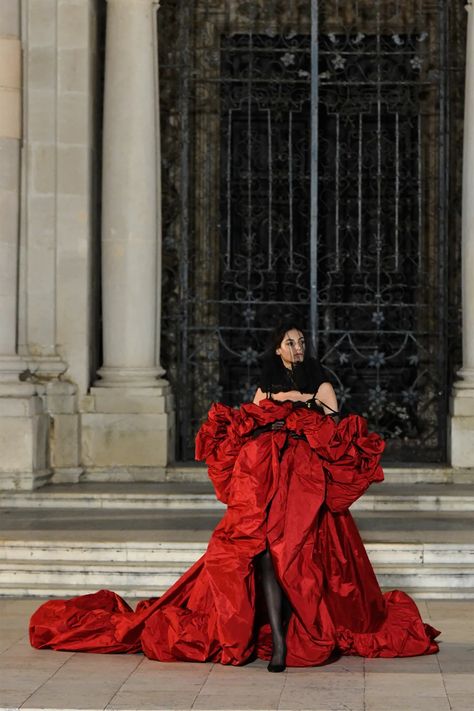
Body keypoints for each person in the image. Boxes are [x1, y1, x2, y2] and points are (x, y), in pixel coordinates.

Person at [29, 322, 440, 671]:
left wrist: (304, 406)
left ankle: (301, 631)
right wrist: (281, 406)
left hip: (304, 493)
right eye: (290, 342)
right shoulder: (266, 387)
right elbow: (248, 429)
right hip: (266, 490)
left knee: (298, 559)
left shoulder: (321, 383)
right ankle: (278, 641)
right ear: (277, 348)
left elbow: (336, 434)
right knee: (260, 553)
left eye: (301, 342)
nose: (297, 348)